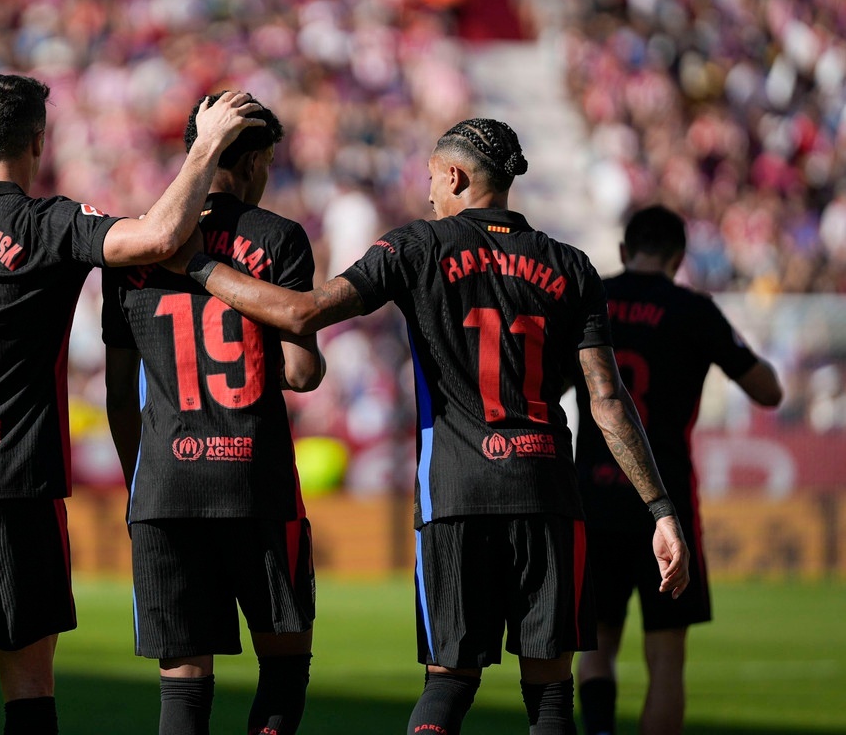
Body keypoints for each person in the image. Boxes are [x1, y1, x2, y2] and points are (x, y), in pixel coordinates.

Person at [162, 118, 691, 735]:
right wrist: (659, 509)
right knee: (549, 695)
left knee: (448, 684)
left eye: (432, 178)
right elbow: (607, 399)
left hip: (456, 494)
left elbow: (301, 312)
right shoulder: (572, 266)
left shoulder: (415, 246)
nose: (428, 191)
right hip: (548, 492)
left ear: (457, 176)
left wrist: (198, 266)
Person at [0, 73, 262, 735]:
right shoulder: (51, 222)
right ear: (39, 142)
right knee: (31, 686)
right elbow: (157, 239)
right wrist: (204, 148)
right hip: (19, 487)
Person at [103, 92, 324, 735]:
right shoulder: (279, 237)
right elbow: (301, 373)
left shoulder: (135, 244)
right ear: (253, 160)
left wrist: (137, 479)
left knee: (184, 689)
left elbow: (120, 393)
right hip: (257, 482)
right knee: (283, 670)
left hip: (166, 486)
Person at [572, 205, 782, 735]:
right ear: (679, 257)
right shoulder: (694, 310)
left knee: (595, 644)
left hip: (592, 497)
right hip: (666, 505)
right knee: (666, 658)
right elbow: (768, 391)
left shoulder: (591, 297)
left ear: (623, 251)